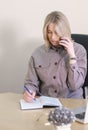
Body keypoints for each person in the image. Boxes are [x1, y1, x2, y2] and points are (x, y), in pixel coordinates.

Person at [23, 11, 87, 102]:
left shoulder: (79, 51)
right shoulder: (37, 54)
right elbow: (31, 83)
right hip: (46, 102)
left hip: (72, 103)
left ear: (65, 31)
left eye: (57, 33)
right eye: (49, 32)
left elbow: (75, 85)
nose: (52, 37)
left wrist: (72, 56)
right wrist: (29, 92)